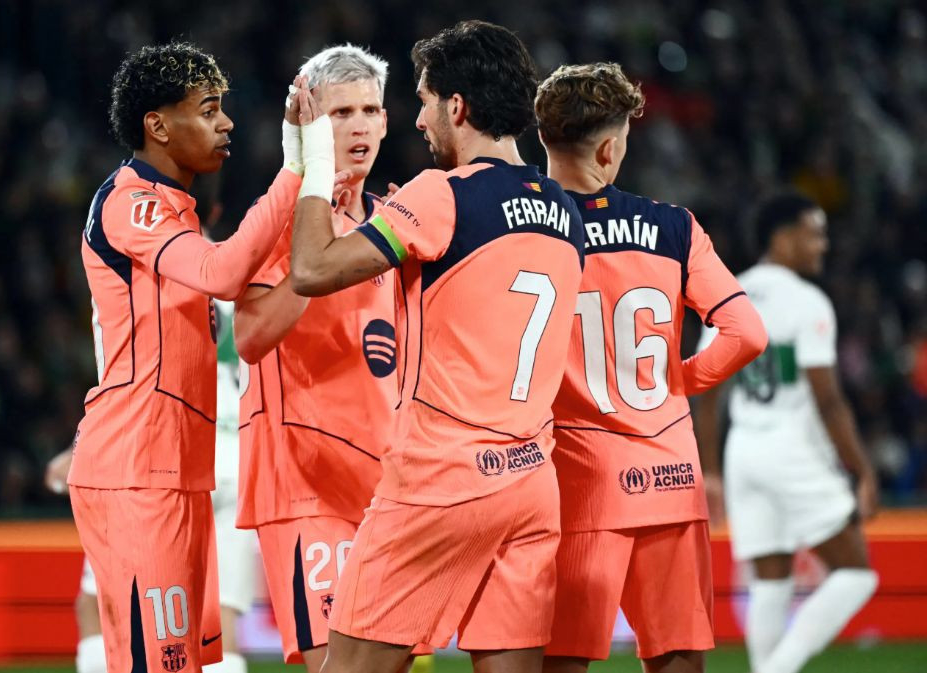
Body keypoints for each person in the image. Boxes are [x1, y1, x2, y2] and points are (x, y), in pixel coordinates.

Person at [287, 20, 585, 673]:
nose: (417, 120)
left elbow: (310, 269)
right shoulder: (564, 211)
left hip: (440, 477)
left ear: (457, 105)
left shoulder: (441, 194)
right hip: (530, 481)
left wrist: (313, 158)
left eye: (424, 102)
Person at [66, 40, 335, 673]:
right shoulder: (131, 202)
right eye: (208, 110)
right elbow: (222, 272)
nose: (226, 123)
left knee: (184, 661)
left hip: (180, 469)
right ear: (157, 126)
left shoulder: (177, 212)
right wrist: (298, 167)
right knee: (158, 663)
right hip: (135, 469)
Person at [533, 62, 767, 673]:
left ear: (544, 137)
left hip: (576, 482)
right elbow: (747, 334)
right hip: (670, 477)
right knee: (679, 659)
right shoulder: (674, 226)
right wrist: (678, 381)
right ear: (610, 149)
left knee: (562, 662)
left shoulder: (522, 230)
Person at [233, 44, 412, 673]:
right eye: (340, 113)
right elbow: (251, 337)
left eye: (369, 110)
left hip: (386, 481)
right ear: (310, 125)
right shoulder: (281, 218)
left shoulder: (394, 222)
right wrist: (318, 253)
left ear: (386, 122)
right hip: (307, 481)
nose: (359, 126)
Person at [694, 192, 879, 673]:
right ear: (782, 238)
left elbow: (707, 393)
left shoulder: (729, 291)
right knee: (857, 575)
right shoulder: (806, 301)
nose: (823, 245)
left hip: (743, 452)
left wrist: (711, 470)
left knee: (770, 584)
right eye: (813, 233)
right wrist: (862, 470)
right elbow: (828, 399)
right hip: (791, 448)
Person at [46, 301, 257, 673]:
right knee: (219, 618)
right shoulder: (238, 280)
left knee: (99, 607)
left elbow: (136, 373)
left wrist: (78, 448)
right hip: (235, 455)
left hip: (167, 455)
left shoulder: (156, 274)